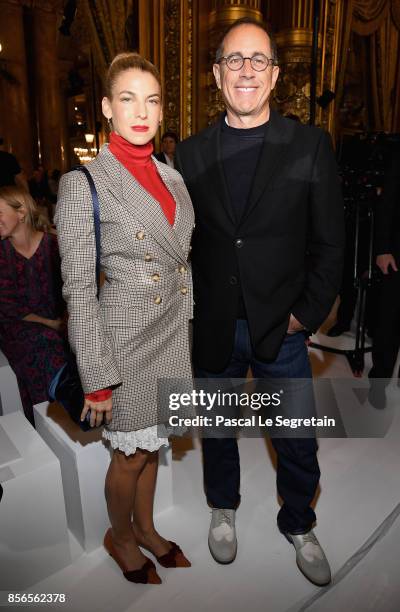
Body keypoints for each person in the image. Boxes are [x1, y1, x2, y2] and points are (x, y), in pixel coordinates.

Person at [176, 18, 344, 586]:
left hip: (284, 327)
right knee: (218, 432)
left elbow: (329, 244)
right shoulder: (190, 154)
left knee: (296, 439)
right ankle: (223, 507)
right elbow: (183, 247)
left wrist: (306, 313)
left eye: (258, 60)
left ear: (274, 75)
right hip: (216, 327)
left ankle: (299, 521)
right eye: (233, 59)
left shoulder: (310, 144)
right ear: (216, 74)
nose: (245, 69)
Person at [55, 52, 194, 585]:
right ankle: (121, 536)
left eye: (152, 100)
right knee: (129, 457)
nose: (142, 111)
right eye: (128, 99)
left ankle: (148, 527)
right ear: (108, 109)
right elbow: (78, 290)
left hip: (173, 335)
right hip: (126, 344)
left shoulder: (172, 176)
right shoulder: (82, 184)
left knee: (154, 445)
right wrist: (97, 376)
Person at [0, 185, 66, 426]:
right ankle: (54, 415)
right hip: (18, 328)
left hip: (61, 323)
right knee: (42, 343)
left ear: (21, 212)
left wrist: (66, 322)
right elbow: (8, 308)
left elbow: (75, 291)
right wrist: (51, 324)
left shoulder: (54, 245)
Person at [369, 144, 400, 406]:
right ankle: (378, 382)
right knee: (389, 321)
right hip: (399, 254)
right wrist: (382, 250)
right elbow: (386, 205)